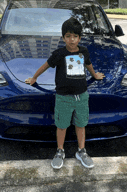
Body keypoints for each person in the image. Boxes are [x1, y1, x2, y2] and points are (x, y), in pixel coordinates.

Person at [25, 17, 105, 170]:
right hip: (63, 98)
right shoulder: (59, 54)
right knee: (61, 126)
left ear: (79, 38)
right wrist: (34, 78)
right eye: (68, 36)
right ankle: (60, 151)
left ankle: (81, 151)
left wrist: (94, 75)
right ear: (63, 38)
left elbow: (88, 64)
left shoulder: (83, 51)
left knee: (81, 125)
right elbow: (46, 65)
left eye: (75, 36)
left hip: (81, 96)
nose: (72, 40)